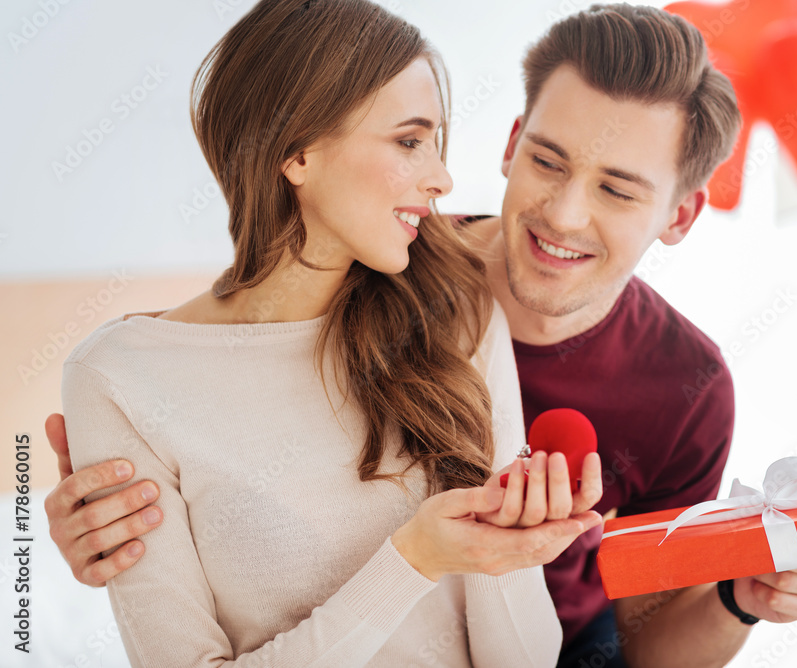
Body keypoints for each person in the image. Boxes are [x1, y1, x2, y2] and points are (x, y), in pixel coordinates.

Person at [47, 4, 797, 667]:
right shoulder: (383, 256)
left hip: (570, 637)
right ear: (512, 142)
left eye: (617, 190)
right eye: (548, 161)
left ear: (680, 215)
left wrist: (740, 598)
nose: (563, 215)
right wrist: (131, 522)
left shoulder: (685, 385)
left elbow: (639, 638)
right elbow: (248, 336)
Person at [54, 1, 604, 666]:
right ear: (297, 152)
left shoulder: (455, 312)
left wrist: (511, 550)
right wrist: (414, 559)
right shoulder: (120, 378)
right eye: (408, 141)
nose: (443, 178)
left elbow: (522, 658)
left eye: (436, 141)